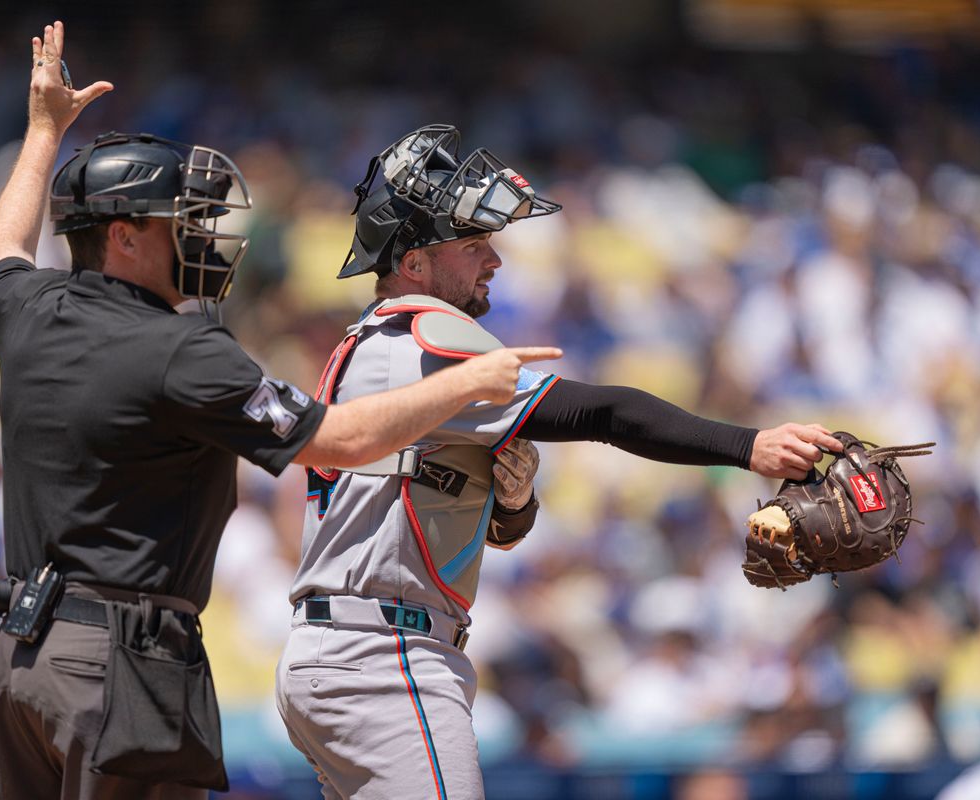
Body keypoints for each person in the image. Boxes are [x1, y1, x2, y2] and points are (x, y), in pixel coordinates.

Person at [0, 26, 559, 800]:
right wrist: (468, 381)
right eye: (175, 222)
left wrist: (43, 131)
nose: (200, 234)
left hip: (20, 661)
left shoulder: (29, 307)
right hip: (116, 665)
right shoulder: (180, 349)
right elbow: (342, 439)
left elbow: (6, 244)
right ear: (122, 236)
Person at [275, 124, 846, 799]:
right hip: (383, 656)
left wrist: (515, 503)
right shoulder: (425, 334)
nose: (493, 261)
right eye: (472, 245)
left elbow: (489, 527)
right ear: (415, 263)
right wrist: (749, 447)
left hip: (344, 648)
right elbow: (604, 413)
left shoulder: (374, 346)